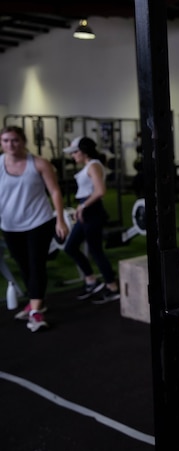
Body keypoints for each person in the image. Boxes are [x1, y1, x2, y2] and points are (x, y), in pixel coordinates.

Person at [0, 126, 69, 332]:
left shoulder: (39, 164)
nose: (10, 145)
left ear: (23, 141)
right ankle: (35, 301)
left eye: (14, 140)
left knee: (36, 264)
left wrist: (61, 220)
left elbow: (55, 191)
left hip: (39, 222)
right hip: (10, 225)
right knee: (23, 266)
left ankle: (36, 312)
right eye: (5, 141)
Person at [62, 136, 120, 303]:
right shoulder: (89, 165)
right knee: (71, 247)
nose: (73, 156)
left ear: (84, 151)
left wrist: (82, 206)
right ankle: (91, 281)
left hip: (92, 211)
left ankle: (112, 287)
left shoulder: (94, 165)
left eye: (75, 152)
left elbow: (100, 191)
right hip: (86, 210)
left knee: (96, 251)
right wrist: (82, 207)